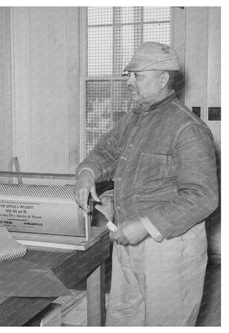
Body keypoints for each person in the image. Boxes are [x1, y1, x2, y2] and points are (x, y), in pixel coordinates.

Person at [74, 42, 218, 326]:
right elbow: (105, 152)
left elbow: (203, 197)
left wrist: (145, 226)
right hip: (127, 240)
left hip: (169, 247)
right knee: (123, 319)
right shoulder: (135, 117)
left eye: (137, 75)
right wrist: (87, 173)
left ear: (163, 79)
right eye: (129, 74)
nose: (129, 82)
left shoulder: (188, 128)